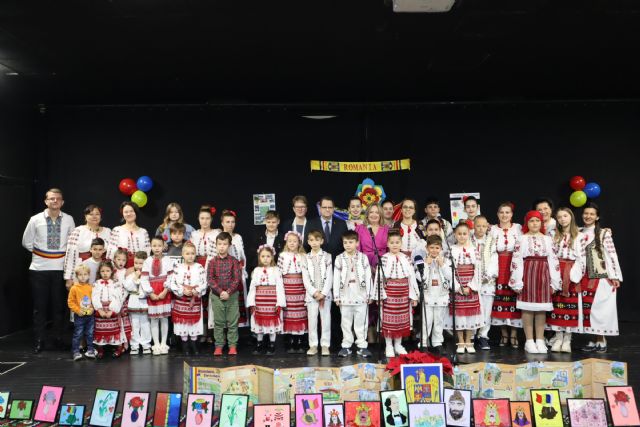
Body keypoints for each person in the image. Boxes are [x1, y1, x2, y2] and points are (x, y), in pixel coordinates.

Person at [22, 188, 76, 353]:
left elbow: (72, 243)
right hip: (39, 269)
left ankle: (58, 339)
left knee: (59, 307)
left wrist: (60, 259)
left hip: (61, 269)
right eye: (51, 198)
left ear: (62, 202)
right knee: (40, 306)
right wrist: (44, 254)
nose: (54, 201)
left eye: (58, 199)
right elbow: (26, 242)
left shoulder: (68, 219)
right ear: (46, 201)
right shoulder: (35, 219)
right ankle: (40, 340)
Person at [510, 210, 561, 354]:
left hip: (543, 273)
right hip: (528, 273)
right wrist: (517, 281)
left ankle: (539, 339)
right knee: (528, 308)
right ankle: (529, 341)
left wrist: (555, 281)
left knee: (541, 309)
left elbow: (553, 260)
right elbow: (517, 260)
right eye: (531, 221)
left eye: (537, 221)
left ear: (541, 223)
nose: (534, 223)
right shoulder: (522, 239)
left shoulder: (547, 239)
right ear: (527, 223)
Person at [580, 203, 622, 353]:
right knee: (588, 309)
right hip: (583, 276)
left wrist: (615, 275)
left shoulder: (604, 233)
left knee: (600, 309)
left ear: (597, 217)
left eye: (592, 214)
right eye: (586, 213)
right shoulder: (578, 232)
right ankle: (592, 338)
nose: (588, 216)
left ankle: (601, 338)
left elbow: (611, 254)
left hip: (601, 277)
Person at [374, 230, 419, 358]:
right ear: (388, 244)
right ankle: (388, 345)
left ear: (401, 243)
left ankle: (398, 344)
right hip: (389, 294)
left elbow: (411, 278)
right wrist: (379, 295)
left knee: (401, 320)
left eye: (397, 242)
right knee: (388, 320)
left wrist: (414, 296)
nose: (395, 245)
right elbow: (379, 277)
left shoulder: (406, 258)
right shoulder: (384, 258)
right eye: (392, 242)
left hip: (404, 293)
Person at [547, 207, 586, 353]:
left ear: (571, 217)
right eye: (559, 217)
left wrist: (574, 275)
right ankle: (558, 337)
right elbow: (550, 255)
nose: (562, 219)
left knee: (570, 305)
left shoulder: (579, 235)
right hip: (556, 269)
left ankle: (568, 338)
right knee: (556, 305)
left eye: (565, 216)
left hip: (571, 270)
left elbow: (582, 258)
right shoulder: (553, 234)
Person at [333, 230, 372, 358]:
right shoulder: (339, 259)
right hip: (345, 296)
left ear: (357, 243)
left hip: (361, 296)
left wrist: (370, 294)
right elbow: (336, 278)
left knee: (361, 322)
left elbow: (368, 277)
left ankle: (362, 345)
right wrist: (337, 296)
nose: (348, 245)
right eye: (345, 242)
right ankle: (346, 345)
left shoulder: (363, 257)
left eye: (351, 242)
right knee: (345, 322)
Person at [445, 222, 483, 354]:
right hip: (457, 287)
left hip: (470, 287)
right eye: (459, 234)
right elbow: (449, 271)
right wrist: (458, 287)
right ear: (455, 235)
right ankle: (460, 341)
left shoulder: (474, 250)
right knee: (459, 315)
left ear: (469, 234)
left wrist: (470, 287)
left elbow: (478, 270)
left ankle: (469, 340)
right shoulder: (451, 250)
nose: (462, 236)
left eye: (464, 234)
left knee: (470, 315)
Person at [490, 202, 523, 348]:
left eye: (507, 212)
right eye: (501, 212)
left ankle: (514, 334)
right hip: (498, 265)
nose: (504, 215)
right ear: (497, 214)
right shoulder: (492, 229)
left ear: (512, 214)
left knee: (514, 298)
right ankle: (504, 334)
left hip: (514, 265)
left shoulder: (518, 228)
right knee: (500, 300)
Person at [207, 231, 243, 356]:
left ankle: (232, 345)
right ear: (216, 245)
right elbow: (210, 279)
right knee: (219, 323)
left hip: (232, 296)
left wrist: (228, 292)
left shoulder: (234, 261)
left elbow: (236, 279)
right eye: (219, 244)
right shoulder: (212, 262)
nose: (222, 246)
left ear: (229, 246)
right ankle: (219, 345)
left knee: (233, 322)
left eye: (224, 244)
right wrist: (220, 291)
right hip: (217, 296)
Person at [247, 245, 286, 356]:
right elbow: (252, 287)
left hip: (272, 302)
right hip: (259, 303)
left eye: (268, 256)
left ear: (272, 257)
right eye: (263, 256)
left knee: (271, 325)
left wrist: (279, 303)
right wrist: (251, 303)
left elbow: (279, 287)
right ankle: (259, 344)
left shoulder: (276, 270)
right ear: (259, 257)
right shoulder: (256, 270)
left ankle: (272, 344)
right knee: (259, 324)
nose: (265, 259)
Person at [169, 242, 207, 355]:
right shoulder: (178, 267)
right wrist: (182, 291)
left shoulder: (199, 267)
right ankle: (185, 345)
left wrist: (197, 290)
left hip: (194, 299)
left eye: (192, 253)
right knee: (183, 324)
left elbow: (204, 282)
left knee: (194, 324)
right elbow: (173, 283)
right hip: (182, 300)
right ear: (183, 254)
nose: (190, 256)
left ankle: (194, 345)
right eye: (187, 253)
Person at [63, 204, 111, 289]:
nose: (94, 216)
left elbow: (112, 254)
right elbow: (70, 255)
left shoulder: (108, 232)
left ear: (101, 216)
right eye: (91, 214)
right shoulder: (78, 231)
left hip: (103, 272)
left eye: (97, 214)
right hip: (83, 272)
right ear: (85, 216)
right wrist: (68, 277)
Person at [417, 235, 451, 353]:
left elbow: (450, 276)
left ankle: (437, 342)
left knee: (439, 320)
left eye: (437, 248)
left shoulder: (445, 261)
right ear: (427, 248)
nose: (434, 250)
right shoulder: (422, 261)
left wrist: (442, 265)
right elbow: (420, 277)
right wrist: (426, 264)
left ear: (441, 248)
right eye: (431, 247)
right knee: (427, 320)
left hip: (441, 296)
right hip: (428, 296)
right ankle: (424, 342)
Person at [301, 230, 333, 356]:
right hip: (311, 295)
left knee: (325, 320)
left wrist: (323, 293)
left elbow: (330, 276)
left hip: (325, 295)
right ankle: (313, 345)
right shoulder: (305, 258)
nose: (314, 243)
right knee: (312, 321)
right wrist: (314, 292)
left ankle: (325, 345)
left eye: (317, 240)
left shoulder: (328, 256)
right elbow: (305, 278)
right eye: (311, 240)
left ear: (322, 241)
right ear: (308, 242)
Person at [141, 236, 174, 355]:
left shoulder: (167, 260)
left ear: (163, 246)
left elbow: (171, 277)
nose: (157, 248)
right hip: (153, 292)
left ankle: (164, 343)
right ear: (150, 246)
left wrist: (165, 291)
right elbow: (144, 278)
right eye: (154, 246)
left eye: (159, 246)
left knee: (164, 318)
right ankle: (156, 344)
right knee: (154, 319)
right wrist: (150, 293)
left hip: (164, 291)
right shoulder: (147, 261)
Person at [277, 231, 308, 353]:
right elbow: (279, 273)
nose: (292, 243)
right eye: (290, 241)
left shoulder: (304, 256)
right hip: (287, 289)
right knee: (288, 313)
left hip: (300, 288)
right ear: (286, 242)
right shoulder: (282, 255)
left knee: (300, 313)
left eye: (294, 241)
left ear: (299, 242)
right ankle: (289, 340)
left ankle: (299, 340)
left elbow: (306, 274)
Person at [471, 215, 498, 351]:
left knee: (486, 310)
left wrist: (487, 275)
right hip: (472, 280)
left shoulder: (491, 241)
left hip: (487, 281)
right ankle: (471, 335)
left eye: (483, 226)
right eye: (478, 226)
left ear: (487, 226)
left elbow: (494, 259)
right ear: (473, 226)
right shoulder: (468, 239)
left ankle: (483, 335)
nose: (481, 229)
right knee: (472, 308)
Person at [92, 261, 124, 359]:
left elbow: (118, 297)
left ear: (111, 272)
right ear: (99, 272)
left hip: (111, 310)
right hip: (101, 310)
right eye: (102, 271)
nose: (105, 273)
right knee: (100, 331)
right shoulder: (97, 283)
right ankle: (100, 349)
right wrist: (99, 309)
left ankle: (119, 348)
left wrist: (112, 310)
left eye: (107, 271)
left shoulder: (115, 284)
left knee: (115, 331)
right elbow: (94, 297)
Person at [123, 251, 152, 355]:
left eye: (141, 263)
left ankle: (146, 344)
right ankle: (134, 345)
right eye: (136, 263)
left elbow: (148, 288)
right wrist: (135, 277)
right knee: (134, 324)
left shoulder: (148, 276)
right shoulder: (130, 275)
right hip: (133, 301)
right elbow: (127, 286)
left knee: (145, 324)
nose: (138, 266)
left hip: (144, 302)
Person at [107, 201, 150, 267]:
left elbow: (147, 252)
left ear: (136, 212)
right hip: (120, 269)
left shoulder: (143, 232)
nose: (129, 214)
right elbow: (111, 252)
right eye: (126, 212)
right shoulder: (117, 230)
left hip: (140, 268)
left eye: (131, 211)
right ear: (122, 214)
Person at [67, 264, 97, 361]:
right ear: (77, 276)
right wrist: (77, 310)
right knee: (78, 334)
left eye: (85, 274)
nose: (83, 276)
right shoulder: (74, 288)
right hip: (79, 315)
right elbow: (70, 302)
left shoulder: (91, 287)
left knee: (90, 333)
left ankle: (90, 350)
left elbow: (94, 300)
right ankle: (76, 352)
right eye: (80, 275)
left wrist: (92, 308)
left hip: (90, 315)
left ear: (88, 275)